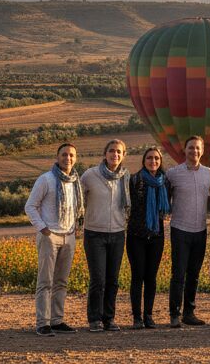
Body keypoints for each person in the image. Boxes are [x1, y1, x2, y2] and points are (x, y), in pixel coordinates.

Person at [24, 143, 83, 336]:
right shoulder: (46, 179)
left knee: (61, 281)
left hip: (69, 236)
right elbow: (30, 206)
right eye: (64, 155)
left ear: (76, 158)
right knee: (45, 281)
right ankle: (43, 322)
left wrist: (75, 229)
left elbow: (78, 209)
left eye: (72, 155)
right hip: (50, 236)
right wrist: (44, 229)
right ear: (57, 157)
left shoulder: (75, 181)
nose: (68, 158)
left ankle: (57, 320)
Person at [80, 139, 130, 332]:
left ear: (123, 155)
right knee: (98, 279)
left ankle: (109, 318)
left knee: (113, 279)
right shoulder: (90, 175)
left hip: (118, 233)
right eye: (111, 151)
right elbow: (78, 198)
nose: (115, 155)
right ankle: (94, 319)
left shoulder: (125, 177)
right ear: (105, 154)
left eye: (119, 152)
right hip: (94, 233)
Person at [166, 136, 210, 328]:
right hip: (180, 229)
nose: (194, 151)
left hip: (200, 230)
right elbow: (163, 198)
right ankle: (174, 314)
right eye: (191, 148)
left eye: (197, 148)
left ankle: (189, 312)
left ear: (202, 151)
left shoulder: (207, 172)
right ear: (184, 150)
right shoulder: (173, 173)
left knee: (194, 274)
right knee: (178, 274)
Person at [127, 145, 171, 329]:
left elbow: (168, 206)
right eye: (149, 158)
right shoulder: (135, 179)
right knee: (138, 276)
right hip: (136, 235)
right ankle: (137, 317)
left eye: (156, 158)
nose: (153, 161)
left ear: (160, 162)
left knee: (151, 277)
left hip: (156, 235)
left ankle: (149, 315)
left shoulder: (165, 182)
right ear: (143, 161)